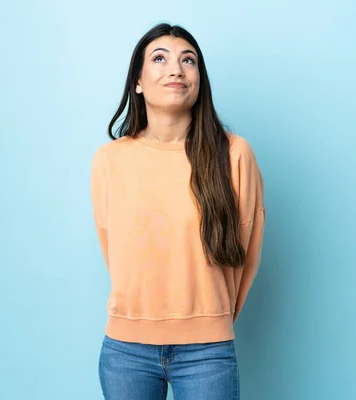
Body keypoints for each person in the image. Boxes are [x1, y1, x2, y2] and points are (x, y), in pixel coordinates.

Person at [90, 22, 265, 400]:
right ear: (137, 81)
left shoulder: (234, 154)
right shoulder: (111, 160)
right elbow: (113, 248)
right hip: (126, 350)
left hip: (208, 353)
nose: (176, 69)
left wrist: (207, 321)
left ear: (199, 79)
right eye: (160, 58)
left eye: (189, 60)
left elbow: (247, 253)